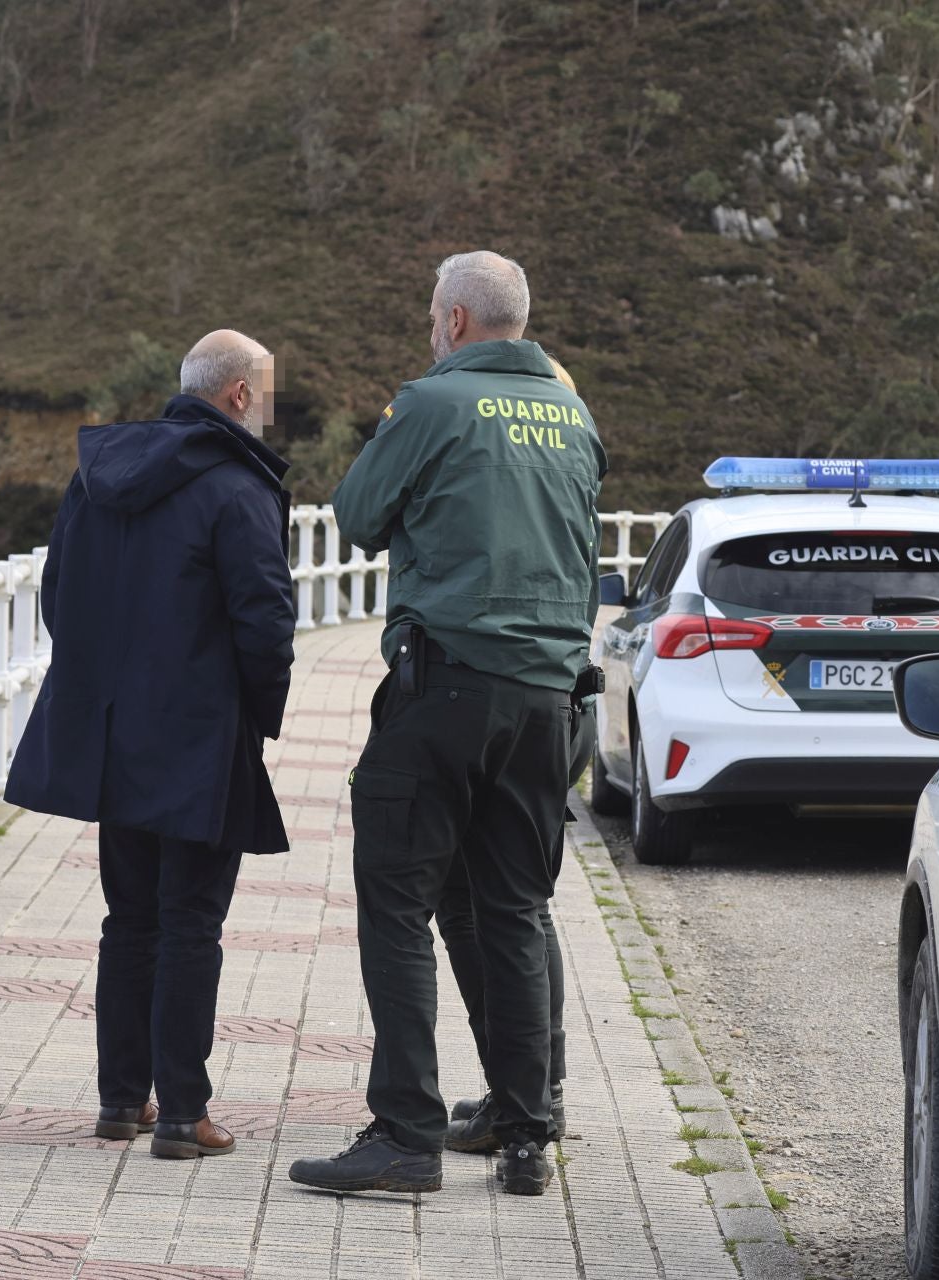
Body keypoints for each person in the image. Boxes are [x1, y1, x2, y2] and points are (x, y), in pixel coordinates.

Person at [289, 252, 607, 1198]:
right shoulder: (573, 413)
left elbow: (355, 513)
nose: (432, 329)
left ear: (456, 321)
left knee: (396, 906)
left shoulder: (432, 403)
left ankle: (404, 1135)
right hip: (549, 703)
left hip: (448, 692)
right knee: (513, 910)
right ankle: (523, 1134)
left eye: (435, 315)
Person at [6, 329, 295, 1161]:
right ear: (240, 394)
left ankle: (121, 1101)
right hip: (201, 740)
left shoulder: (98, 475)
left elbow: (58, 595)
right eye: (265, 395)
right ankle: (183, 1114)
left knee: (127, 920)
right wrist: (258, 715)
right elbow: (265, 621)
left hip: (111, 738)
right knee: (190, 923)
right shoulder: (237, 487)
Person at [438, 354, 593, 1157]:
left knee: (485, 904)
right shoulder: (568, 441)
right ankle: (530, 1092)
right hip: (559, 702)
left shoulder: (493, 445)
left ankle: (525, 1096)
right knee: (516, 903)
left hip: (491, 695)